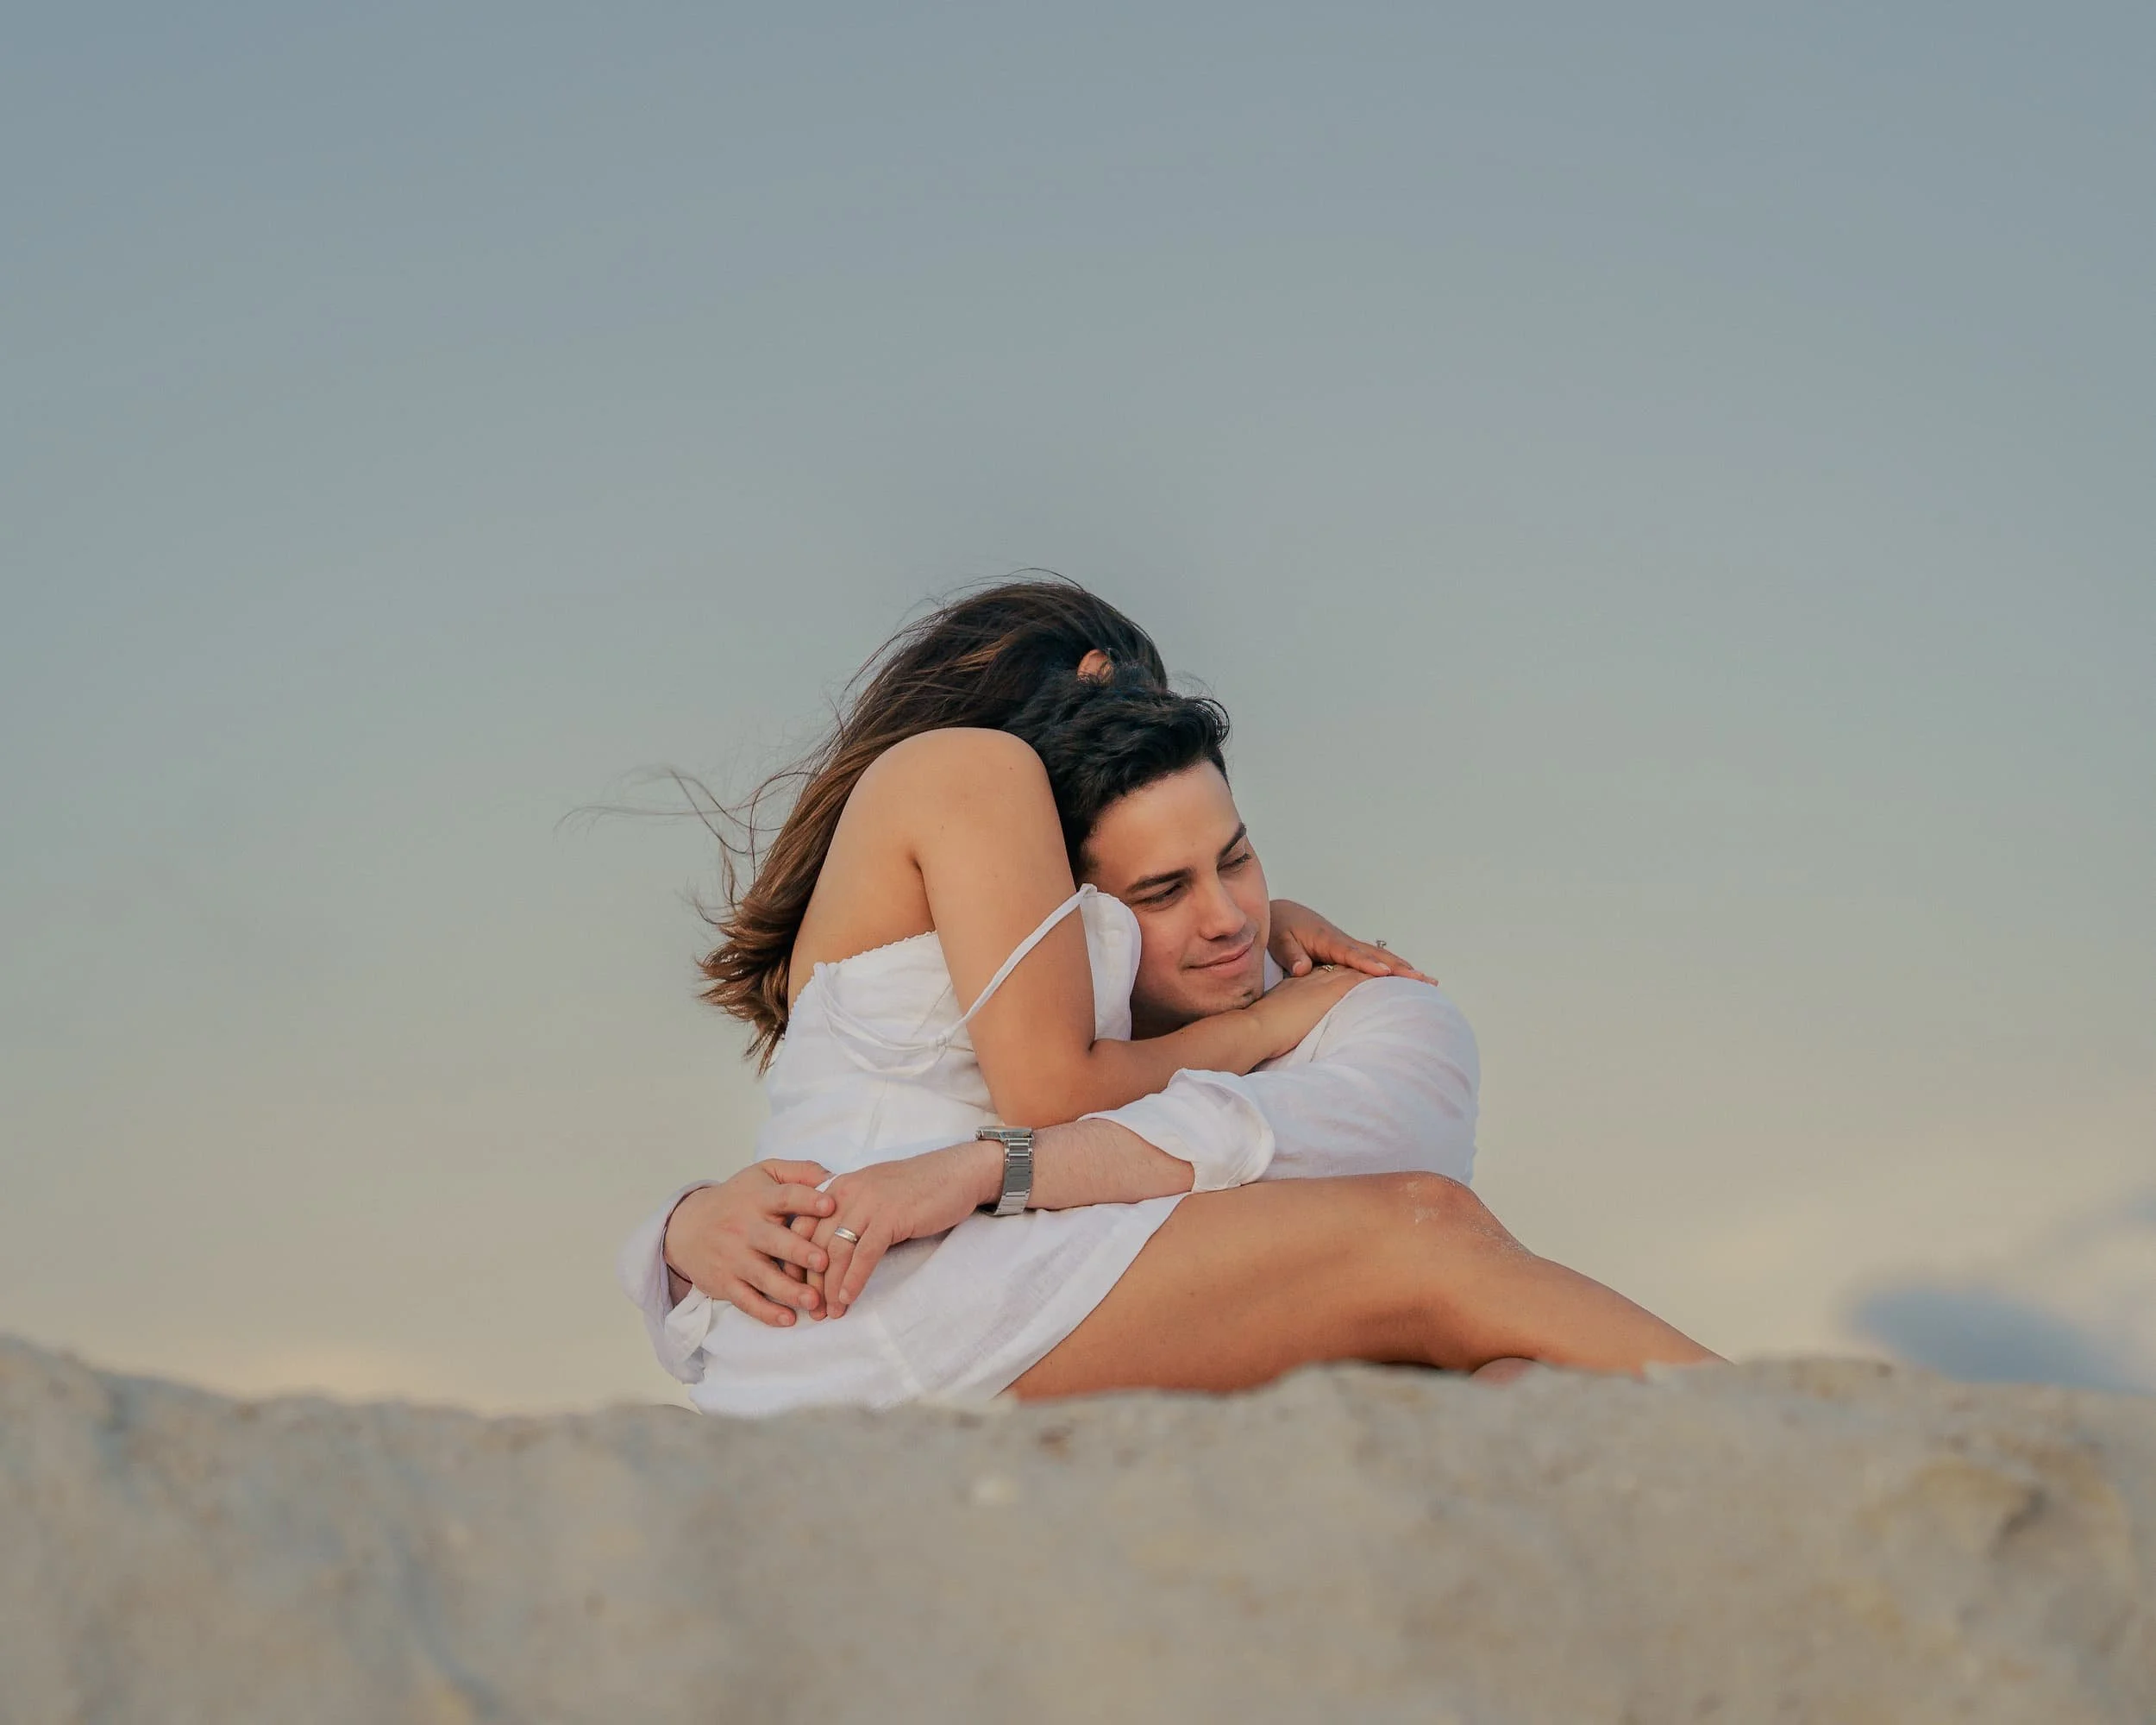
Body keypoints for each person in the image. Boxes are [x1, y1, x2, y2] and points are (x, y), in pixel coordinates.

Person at [620, 580, 1717, 1414]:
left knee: (1505, 1376)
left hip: (890, 1290)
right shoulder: (972, 771)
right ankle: (1809, 1430)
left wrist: (1260, 924)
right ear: (1093, 675)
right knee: (1423, 1231)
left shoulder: (958, 850)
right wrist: (1264, 1019)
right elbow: (1050, 1088)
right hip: (899, 1300)